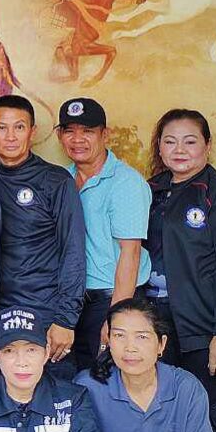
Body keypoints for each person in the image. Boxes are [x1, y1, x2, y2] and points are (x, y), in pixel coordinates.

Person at [144, 109, 216, 402]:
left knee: (208, 415)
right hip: (153, 327)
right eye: (170, 141)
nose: (179, 150)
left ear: (207, 145)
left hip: (204, 331)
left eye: (190, 141)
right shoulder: (149, 191)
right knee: (158, 412)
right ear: (159, 147)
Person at [0, 94, 86, 379]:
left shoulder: (55, 181)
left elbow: (73, 251)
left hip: (46, 313)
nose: (10, 136)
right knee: (2, 395)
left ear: (32, 132)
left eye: (19, 127)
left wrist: (65, 319)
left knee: (52, 395)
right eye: (1, 127)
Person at [55, 98, 152, 373]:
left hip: (110, 300)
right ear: (59, 135)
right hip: (71, 302)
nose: (78, 139)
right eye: (69, 131)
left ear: (105, 135)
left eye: (87, 131)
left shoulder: (125, 182)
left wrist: (116, 319)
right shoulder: (61, 179)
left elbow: (131, 253)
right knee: (73, 381)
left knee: (106, 381)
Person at [74, 298, 216, 432]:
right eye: (119, 335)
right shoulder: (87, 387)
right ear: (109, 340)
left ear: (161, 344)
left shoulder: (186, 388)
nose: (130, 347)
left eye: (141, 337)